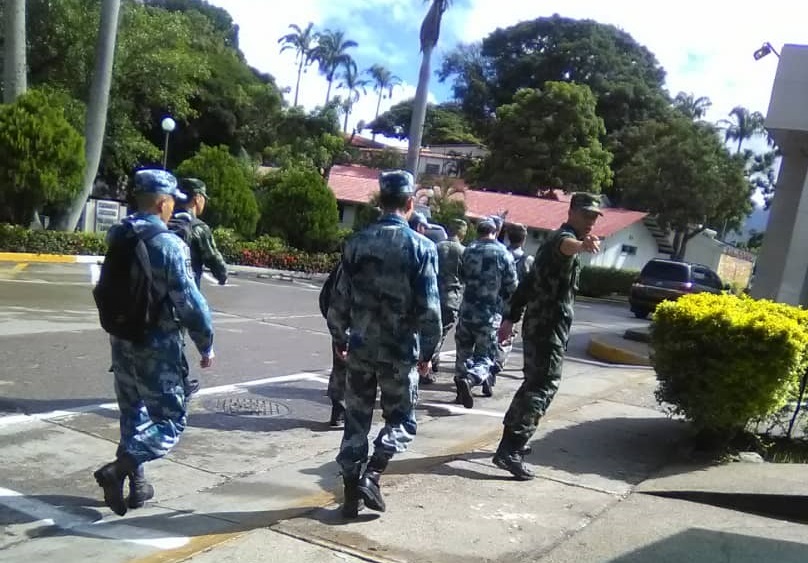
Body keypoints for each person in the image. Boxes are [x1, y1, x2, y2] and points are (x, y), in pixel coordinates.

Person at [93, 169, 215, 516]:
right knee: (171, 420)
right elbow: (190, 304)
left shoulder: (119, 236)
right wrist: (206, 344)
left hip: (122, 341)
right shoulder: (168, 244)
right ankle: (119, 470)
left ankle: (137, 486)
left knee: (133, 412)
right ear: (162, 203)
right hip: (157, 348)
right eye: (171, 202)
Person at [327, 170, 442, 518]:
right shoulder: (422, 247)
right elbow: (431, 309)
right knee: (402, 420)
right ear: (410, 204)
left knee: (355, 422)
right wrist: (428, 353)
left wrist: (339, 337)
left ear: (380, 202)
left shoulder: (356, 243)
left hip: (360, 348)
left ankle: (350, 494)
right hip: (399, 351)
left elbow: (338, 300)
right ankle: (373, 474)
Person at [492, 193, 602, 480]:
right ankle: (510, 449)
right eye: (586, 214)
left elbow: (528, 282)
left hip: (543, 326)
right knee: (542, 387)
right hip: (547, 329)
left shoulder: (555, 241)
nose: (590, 221)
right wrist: (581, 246)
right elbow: (567, 247)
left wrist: (510, 317)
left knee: (533, 384)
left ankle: (512, 441)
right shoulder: (562, 239)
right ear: (572, 212)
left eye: (594, 217)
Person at [453, 217, 517, 409]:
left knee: (463, 352)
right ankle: (472, 379)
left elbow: (461, 276)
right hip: (489, 315)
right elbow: (513, 286)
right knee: (485, 356)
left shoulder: (468, 251)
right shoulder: (503, 254)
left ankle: (460, 389)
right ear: (495, 232)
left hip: (466, 311)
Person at [168, 178, 228, 289]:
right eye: (204, 198)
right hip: (186, 291)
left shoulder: (165, 220)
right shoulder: (198, 227)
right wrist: (222, 276)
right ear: (197, 198)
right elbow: (213, 258)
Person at [427, 218, 467, 383]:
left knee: (429, 331)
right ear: (462, 233)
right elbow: (466, 276)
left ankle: (432, 360)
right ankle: (427, 364)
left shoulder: (436, 247)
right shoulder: (464, 252)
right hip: (451, 297)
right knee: (440, 333)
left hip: (432, 294)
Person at [319, 255, 347, 427]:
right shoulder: (413, 250)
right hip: (384, 331)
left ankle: (339, 412)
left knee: (341, 368)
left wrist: (339, 335)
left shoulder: (354, 252)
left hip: (346, 324)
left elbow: (329, 296)